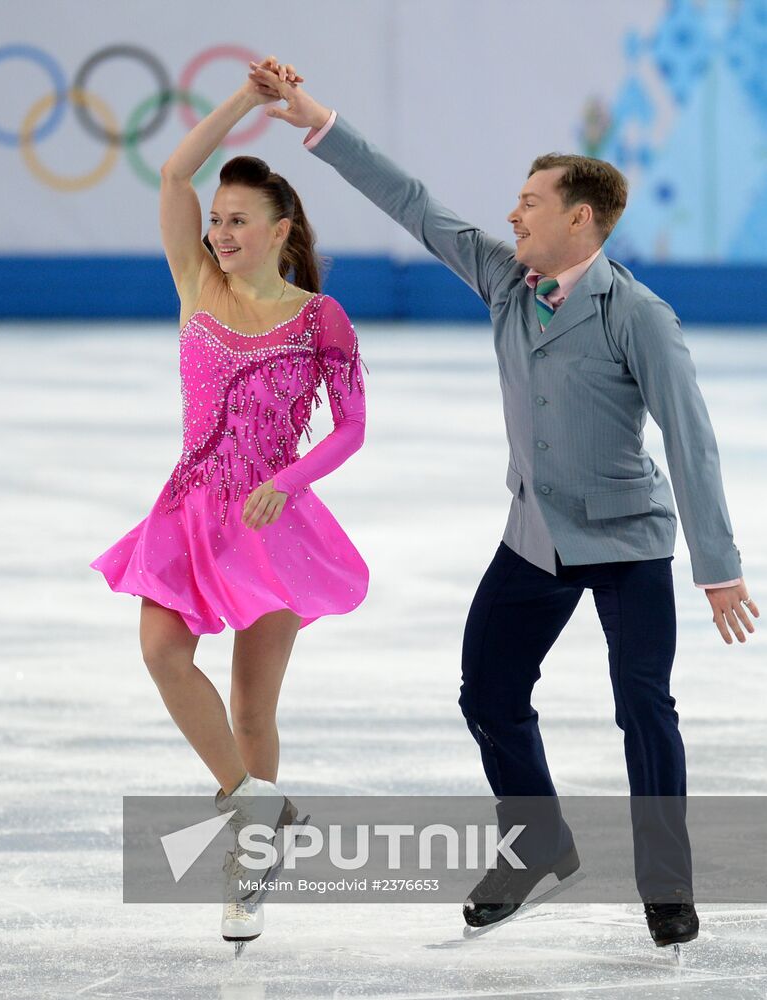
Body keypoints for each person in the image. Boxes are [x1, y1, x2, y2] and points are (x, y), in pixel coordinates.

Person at [247, 56, 760, 952]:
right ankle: (536, 844)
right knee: (488, 692)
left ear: (580, 218)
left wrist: (718, 570)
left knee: (644, 706)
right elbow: (412, 201)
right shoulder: (502, 280)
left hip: (629, 541)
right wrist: (312, 117)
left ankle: (666, 884)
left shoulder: (640, 316)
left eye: (530, 200)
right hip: (534, 538)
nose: (512, 213)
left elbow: (692, 440)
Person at [88, 69, 369, 948]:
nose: (219, 231)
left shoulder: (321, 318)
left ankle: (248, 877)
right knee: (162, 650)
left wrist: (287, 483)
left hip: (270, 523)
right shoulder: (195, 286)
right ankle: (256, 803)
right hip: (188, 511)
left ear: (281, 229)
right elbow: (174, 176)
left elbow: (352, 430)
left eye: (238, 219)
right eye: (217, 220)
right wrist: (247, 107)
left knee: (254, 710)